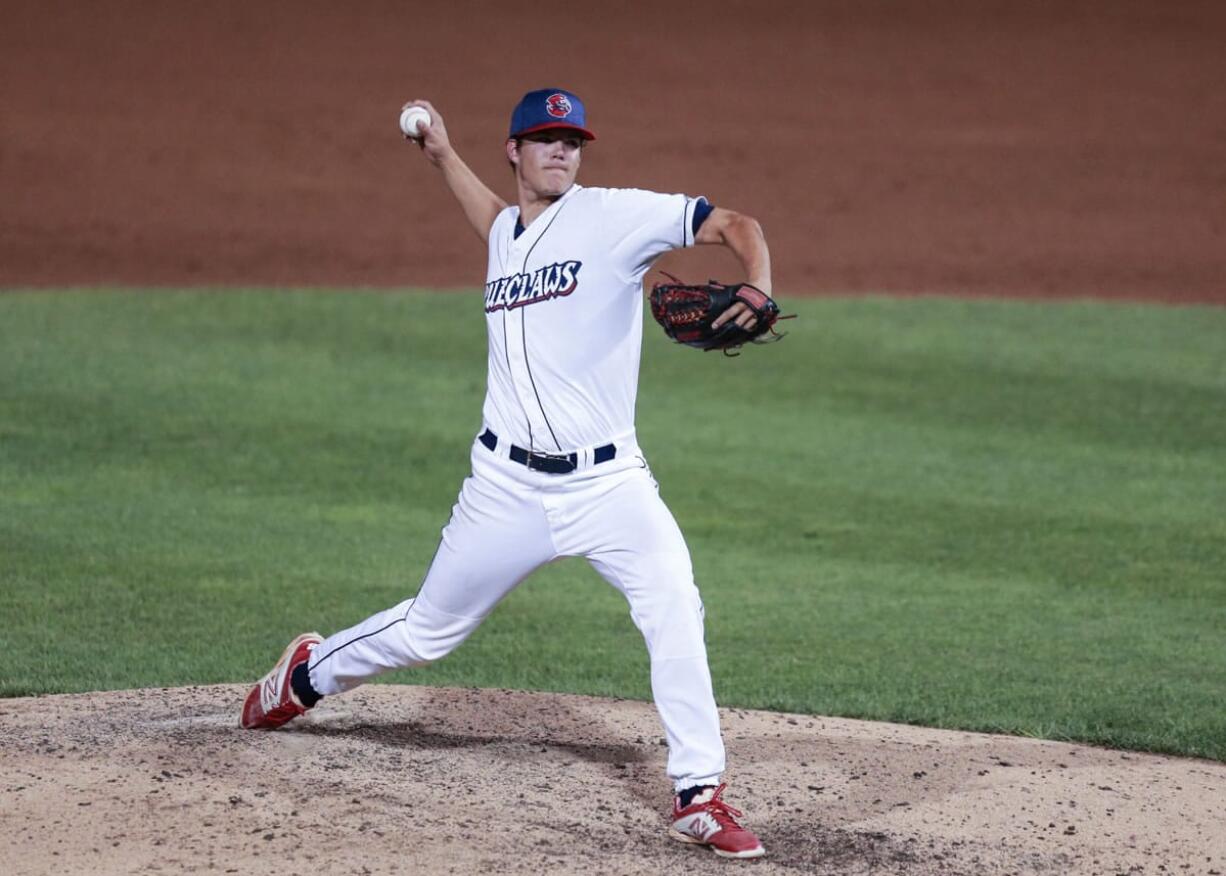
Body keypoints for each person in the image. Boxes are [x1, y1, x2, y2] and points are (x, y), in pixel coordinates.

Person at [241, 88, 773, 860]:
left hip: (608, 485)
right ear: (515, 151)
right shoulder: (507, 234)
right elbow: (494, 220)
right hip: (505, 489)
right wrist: (442, 156)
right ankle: (306, 673)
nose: (562, 151)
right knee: (428, 632)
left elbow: (735, 225)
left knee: (673, 605)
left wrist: (759, 283)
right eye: (546, 139)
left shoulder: (614, 215)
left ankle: (699, 795)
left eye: (573, 140)